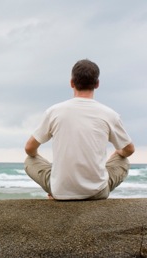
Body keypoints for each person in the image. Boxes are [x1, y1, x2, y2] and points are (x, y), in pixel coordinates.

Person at [24, 59, 135, 200]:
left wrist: (49, 164)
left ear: (72, 83)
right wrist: (118, 152)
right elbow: (129, 150)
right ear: (97, 84)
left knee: (29, 160)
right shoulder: (110, 114)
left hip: (60, 191)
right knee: (123, 160)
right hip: (97, 193)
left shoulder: (54, 111)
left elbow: (29, 149)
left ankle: (59, 186)